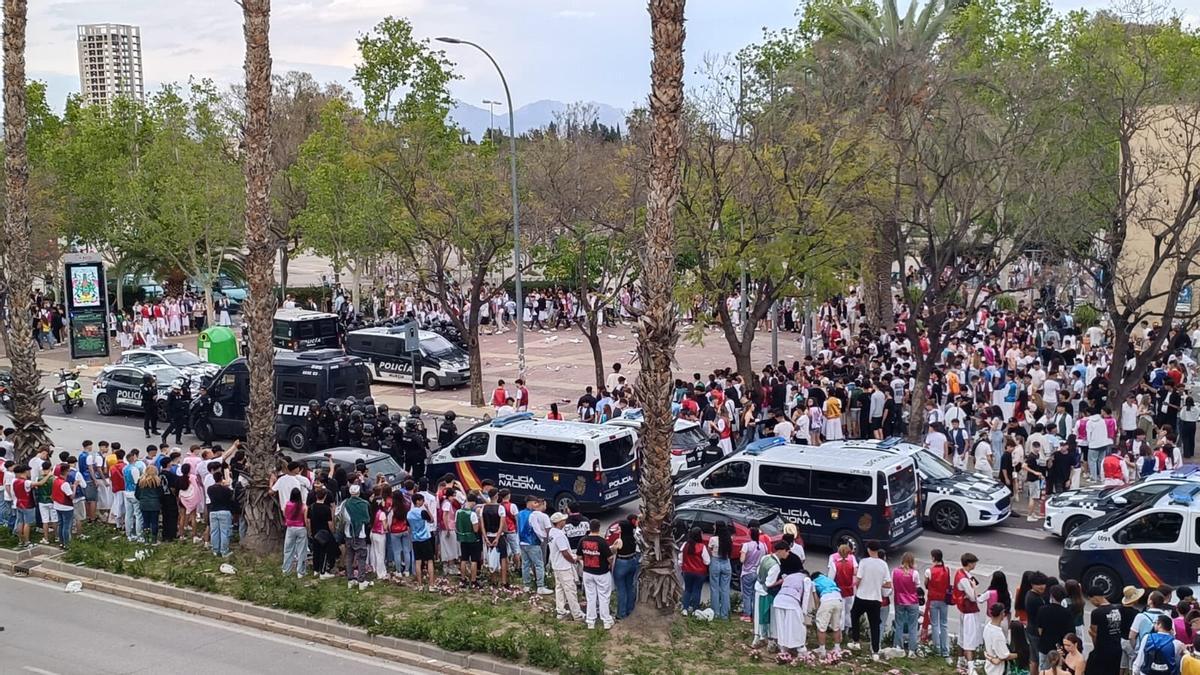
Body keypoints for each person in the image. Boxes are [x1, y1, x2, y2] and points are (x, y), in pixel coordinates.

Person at [848, 540, 891, 660]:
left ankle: (856, 641)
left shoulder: (864, 562)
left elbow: (859, 579)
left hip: (862, 596)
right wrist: (877, 584)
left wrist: (855, 584)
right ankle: (875, 651)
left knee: (854, 615)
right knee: (875, 625)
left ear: (868, 549)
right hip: (876, 599)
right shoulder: (883, 564)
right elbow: (888, 584)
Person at [956, 552, 992, 674]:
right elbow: (972, 597)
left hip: (963, 610)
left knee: (962, 636)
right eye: (974, 562)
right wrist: (974, 588)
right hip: (969, 611)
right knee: (969, 639)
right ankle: (971, 668)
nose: (975, 565)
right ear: (969, 563)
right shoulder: (965, 579)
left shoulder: (960, 573)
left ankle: (960, 661)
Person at [752, 540, 791, 648]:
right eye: (787, 551)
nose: (788, 554)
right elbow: (769, 584)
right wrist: (781, 581)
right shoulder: (776, 566)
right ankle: (765, 637)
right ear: (782, 550)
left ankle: (758, 636)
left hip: (758, 587)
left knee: (758, 615)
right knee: (765, 616)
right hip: (765, 591)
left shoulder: (766, 558)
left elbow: (758, 571)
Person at [578, 518, 614, 630]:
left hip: (588, 572)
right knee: (604, 597)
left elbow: (579, 557)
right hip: (602, 573)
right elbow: (610, 558)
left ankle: (590, 621)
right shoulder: (602, 542)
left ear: (589, 527)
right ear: (599, 528)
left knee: (590, 597)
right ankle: (606, 620)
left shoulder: (583, 540)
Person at [548, 511, 584, 621]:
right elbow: (564, 552)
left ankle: (561, 611)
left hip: (556, 565)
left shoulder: (552, 532)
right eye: (563, 520)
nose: (565, 521)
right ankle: (577, 614)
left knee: (559, 588)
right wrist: (573, 561)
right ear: (559, 522)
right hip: (564, 567)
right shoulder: (559, 535)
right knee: (570, 590)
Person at [772, 569, 814, 660]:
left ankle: (783, 648)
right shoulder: (806, 579)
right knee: (798, 625)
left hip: (778, 599)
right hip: (791, 600)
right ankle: (801, 649)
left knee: (781, 625)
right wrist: (804, 611)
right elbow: (806, 595)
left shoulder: (789, 576)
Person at [517, 496, 553, 595]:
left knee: (525, 564)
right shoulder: (533, 514)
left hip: (522, 542)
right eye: (535, 503)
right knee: (539, 564)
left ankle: (527, 585)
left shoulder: (519, 514)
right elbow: (536, 529)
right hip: (532, 541)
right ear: (531, 502)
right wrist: (543, 537)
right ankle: (540, 586)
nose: (536, 504)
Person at [340, 483, 371, 589]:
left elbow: (342, 518)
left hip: (348, 533)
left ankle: (350, 579)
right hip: (360, 534)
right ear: (358, 492)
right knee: (361, 557)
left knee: (349, 557)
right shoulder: (364, 504)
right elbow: (367, 519)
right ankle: (361, 580)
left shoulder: (345, 503)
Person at [1038, 585, 1075, 672]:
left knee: (1044, 669)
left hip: (1045, 646)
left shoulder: (1042, 610)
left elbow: (1040, 630)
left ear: (1051, 596)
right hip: (1060, 648)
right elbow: (1070, 633)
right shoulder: (1067, 613)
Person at [925, 548, 953, 662]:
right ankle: (945, 650)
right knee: (944, 624)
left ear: (933, 558)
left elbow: (926, 584)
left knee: (935, 624)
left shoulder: (929, 571)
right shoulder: (947, 569)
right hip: (944, 600)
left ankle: (936, 649)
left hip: (933, 599)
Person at [892, 551, 921, 657]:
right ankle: (912, 650)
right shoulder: (915, 573)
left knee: (899, 624)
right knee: (912, 626)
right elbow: (918, 586)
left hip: (899, 600)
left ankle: (898, 646)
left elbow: (892, 585)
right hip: (912, 601)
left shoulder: (895, 571)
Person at [612, 517, 641, 620]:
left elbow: (612, 550)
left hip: (621, 563)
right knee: (630, 586)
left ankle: (621, 613)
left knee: (621, 589)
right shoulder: (634, 538)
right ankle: (630, 610)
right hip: (632, 561)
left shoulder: (620, 540)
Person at [812, 571, 845, 656]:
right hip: (838, 599)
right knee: (836, 626)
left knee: (821, 626)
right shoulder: (829, 580)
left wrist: (817, 609)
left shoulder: (814, 582)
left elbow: (816, 598)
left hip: (827, 600)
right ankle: (837, 648)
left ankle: (822, 649)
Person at [679, 525, 710, 615]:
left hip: (687, 571)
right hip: (699, 572)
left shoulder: (685, 545)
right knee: (697, 590)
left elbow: (680, 558)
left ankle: (685, 608)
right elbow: (707, 561)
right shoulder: (702, 547)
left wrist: (682, 566)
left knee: (687, 589)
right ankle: (695, 609)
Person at [308, 486, 338, 579]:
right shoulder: (326, 509)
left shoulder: (312, 507)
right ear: (325, 496)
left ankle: (316, 570)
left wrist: (309, 531)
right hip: (324, 532)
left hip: (314, 531)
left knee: (316, 552)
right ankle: (323, 571)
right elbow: (330, 523)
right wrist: (333, 530)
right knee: (324, 552)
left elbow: (308, 521)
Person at [828, 543, 858, 632]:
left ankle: (839, 630)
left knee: (841, 611)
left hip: (839, 590)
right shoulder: (852, 558)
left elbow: (830, 578)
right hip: (850, 589)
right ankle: (848, 629)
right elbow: (855, 572)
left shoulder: (834, 561)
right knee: (849, 610)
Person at [455, 491, 482, 587]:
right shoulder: (472, 514)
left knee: (463, 559)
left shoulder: (458, 512)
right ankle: (473, 580)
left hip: (462, 538)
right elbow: (475, 529)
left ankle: (462, 579)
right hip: (472, 539)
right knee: (474, 560)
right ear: (474, 502)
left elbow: (456, 525)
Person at [983, 602, 1018, 675]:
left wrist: (990, 658)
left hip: (989, 668)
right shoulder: (997, 635)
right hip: (998, 671)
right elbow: (1005, 655)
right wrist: (1020, 655)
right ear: (1002, 613)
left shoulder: (987, 627)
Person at [206, 469, 235, 558]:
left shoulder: (210, 489)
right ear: (222, 478)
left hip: (213, 511)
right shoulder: (226, 490)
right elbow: (231, 498)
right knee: (224, 532)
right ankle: (224, 551)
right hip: (224, 511)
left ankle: (215, 550)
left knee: (214, 531)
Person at [708, 520, 734, 619]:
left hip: (715, 561)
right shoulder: (729, 538)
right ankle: (725, 614)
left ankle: (715, 612)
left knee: (714, 588)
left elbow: (710, 550)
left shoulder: (713, 539)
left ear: (717, 527)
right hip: (726, 562)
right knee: (725, 589)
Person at [281, 487, 308, 577]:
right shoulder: (303, 506)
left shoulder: (287, 504)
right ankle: (300, 571)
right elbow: (305, 519)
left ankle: (286, 570)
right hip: (301, 528)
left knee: (288, 549)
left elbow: (285, 514)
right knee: (301, 551)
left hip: (290, 528)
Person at [134, 465, 163, 544]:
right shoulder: (157, 481)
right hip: (155, 504)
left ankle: (146, 539)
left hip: (144, 504)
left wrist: (142, 499)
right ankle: (154, 540)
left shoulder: (141, 481)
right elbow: (161, 494)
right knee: (154, 522)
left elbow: (137, 494)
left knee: (145, 522)